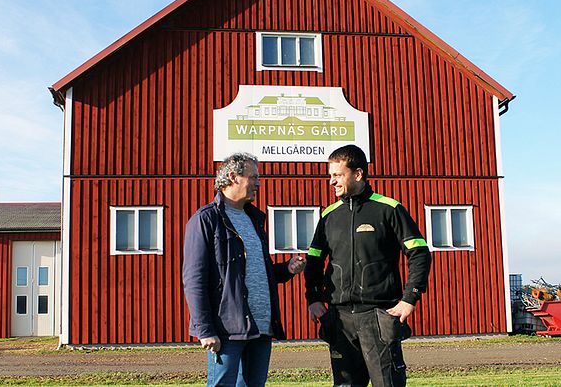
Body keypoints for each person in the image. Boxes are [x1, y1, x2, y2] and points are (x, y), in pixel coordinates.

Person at [304, 144, 432, 387]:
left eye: (337, 175)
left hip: (378, 316)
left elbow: (419, 254)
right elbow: (314, 260)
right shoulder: (329, 216)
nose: (331, 181)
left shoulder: (389, 209)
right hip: (340, 319)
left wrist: (409, 298)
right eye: (330, 176)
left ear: (358, 174)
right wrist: (313, 297)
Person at [183, 152, 306, 387]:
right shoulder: (206, 219)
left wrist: (288, 269)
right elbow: (194, 278)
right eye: (254, 177)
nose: (258, 183)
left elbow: (258, 271)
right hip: (226, 329)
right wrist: (205, 329)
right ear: (233, 176)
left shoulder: (253, 219)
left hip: (261, 327)